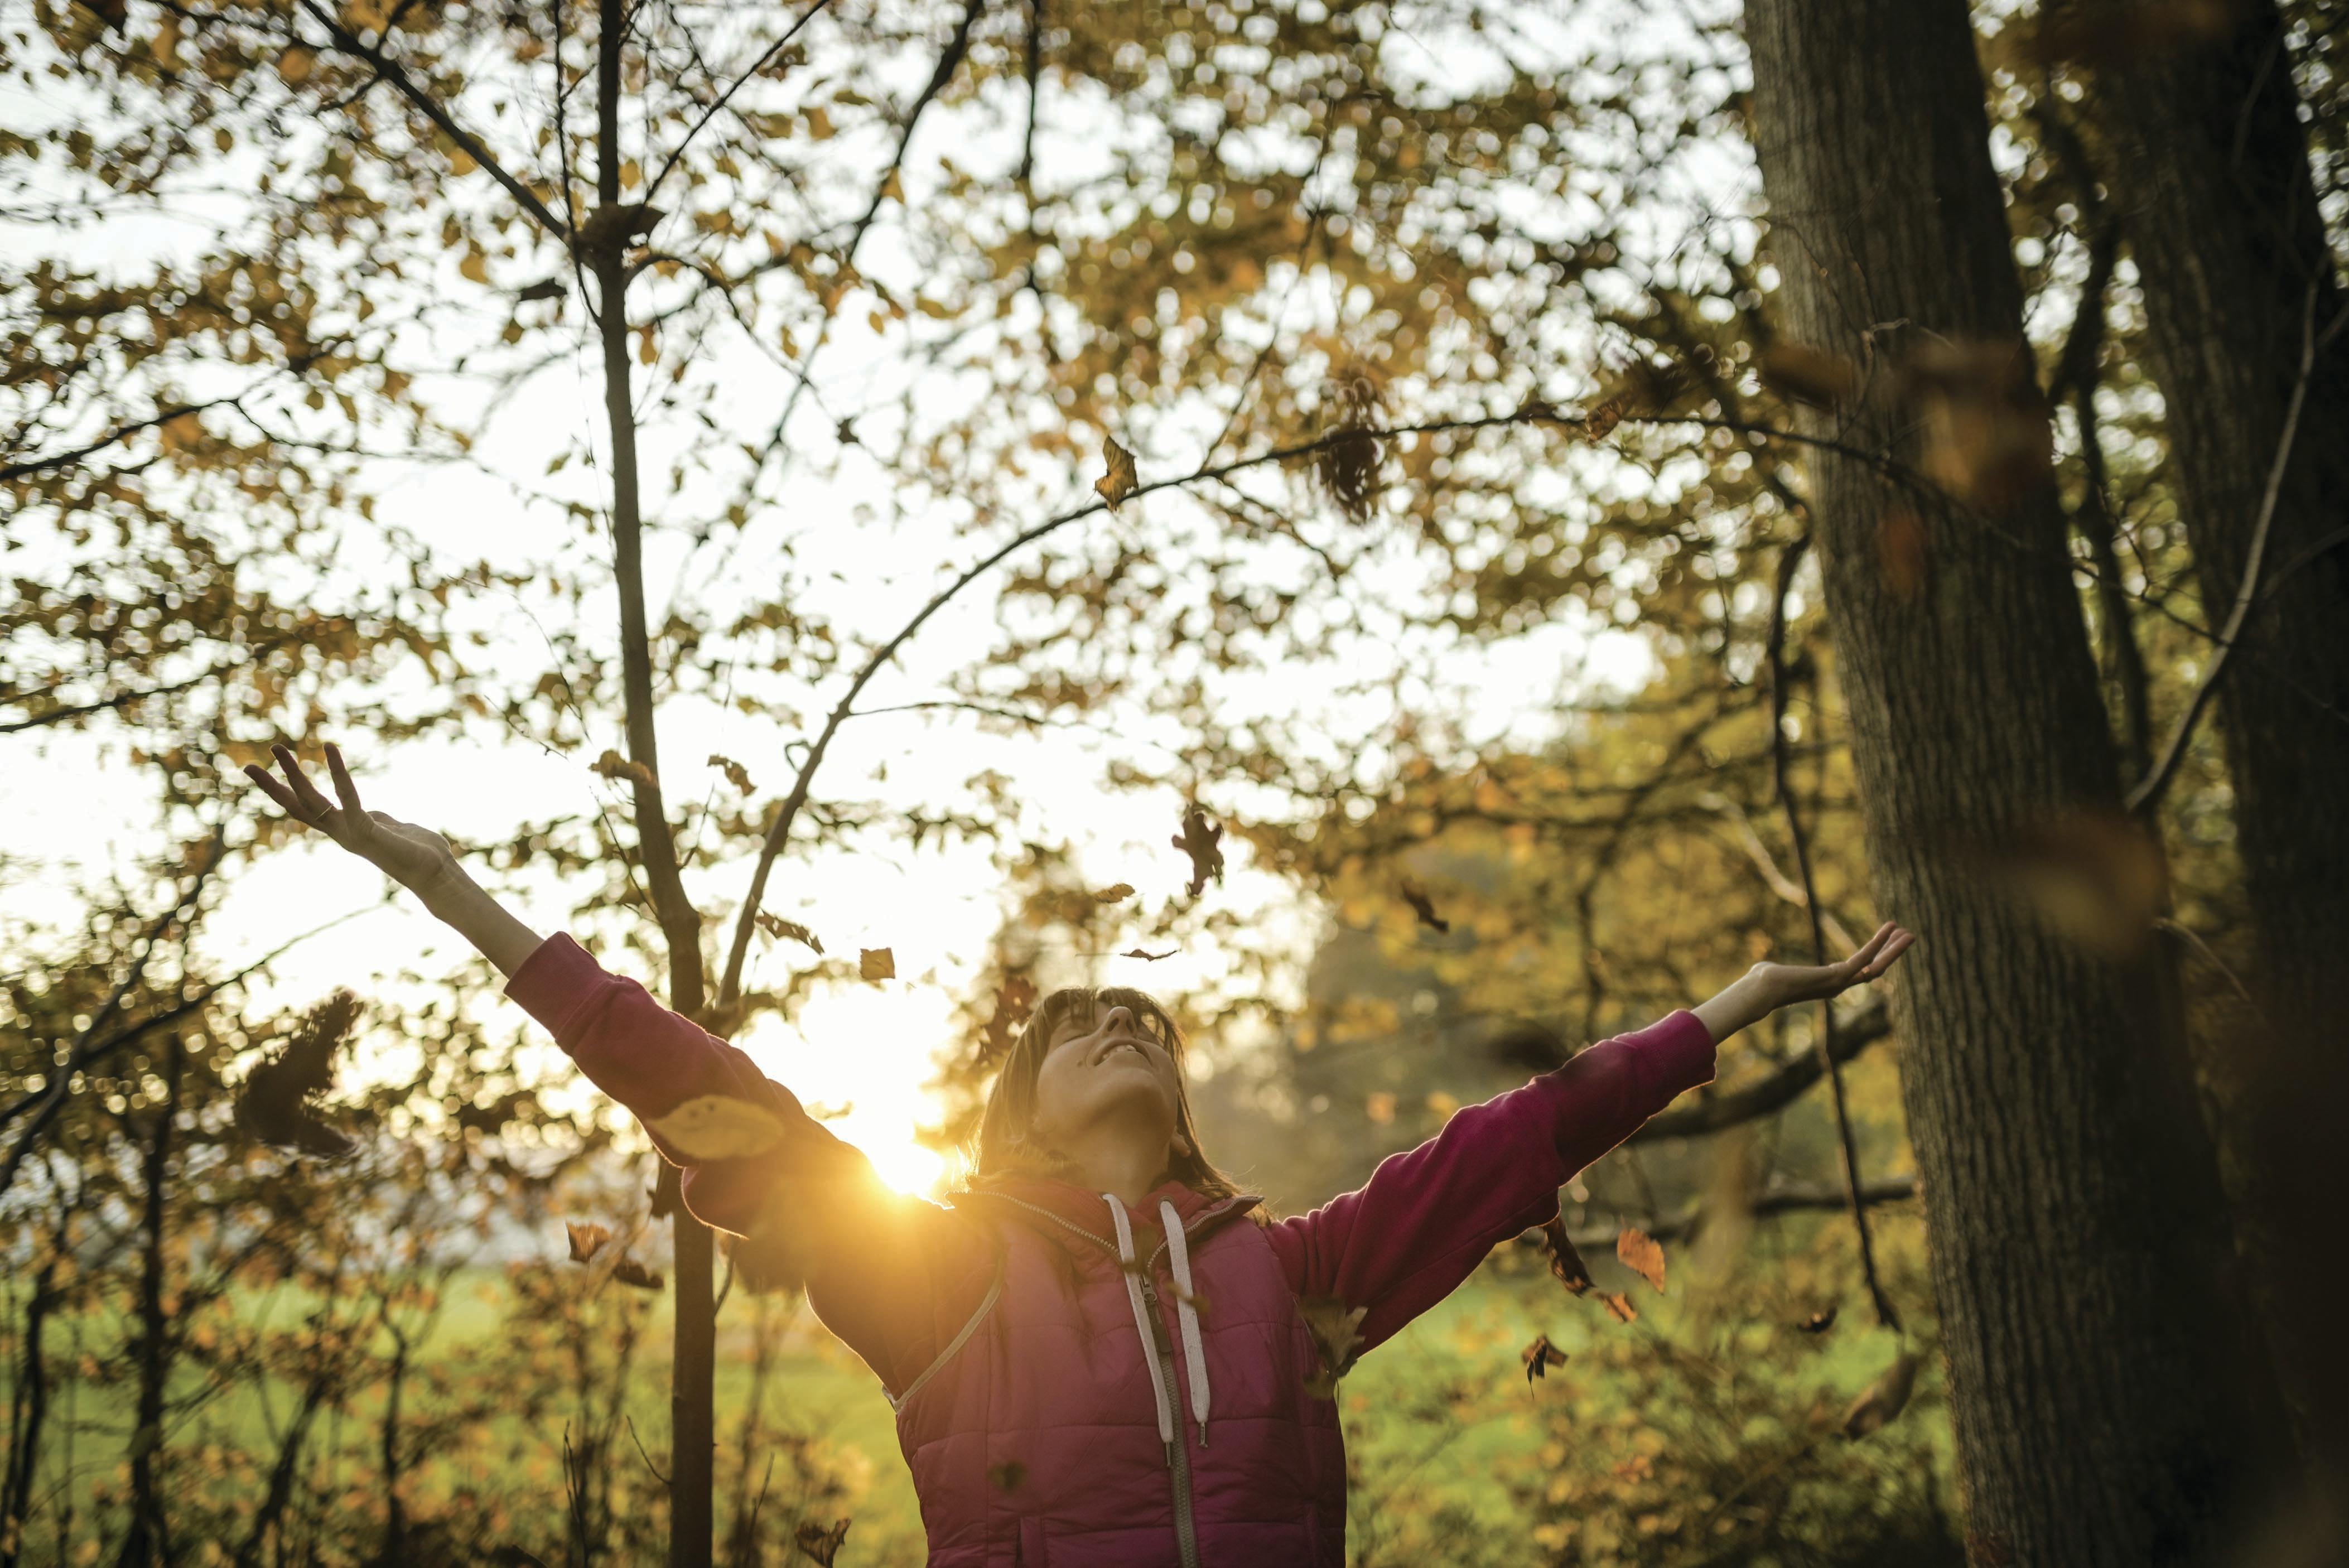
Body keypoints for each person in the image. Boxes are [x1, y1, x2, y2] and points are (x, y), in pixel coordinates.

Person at [244, 742, 1914, 1568]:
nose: (1118, 1026)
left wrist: (1731, 1005)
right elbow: (698, 1079)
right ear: (1019, 1108)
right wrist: (453, 890)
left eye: (1145, 1023)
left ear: (1177, 1100)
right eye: (1072, 1026)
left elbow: (1509, 1142)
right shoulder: (942, 1273)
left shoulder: (1295, 1271)